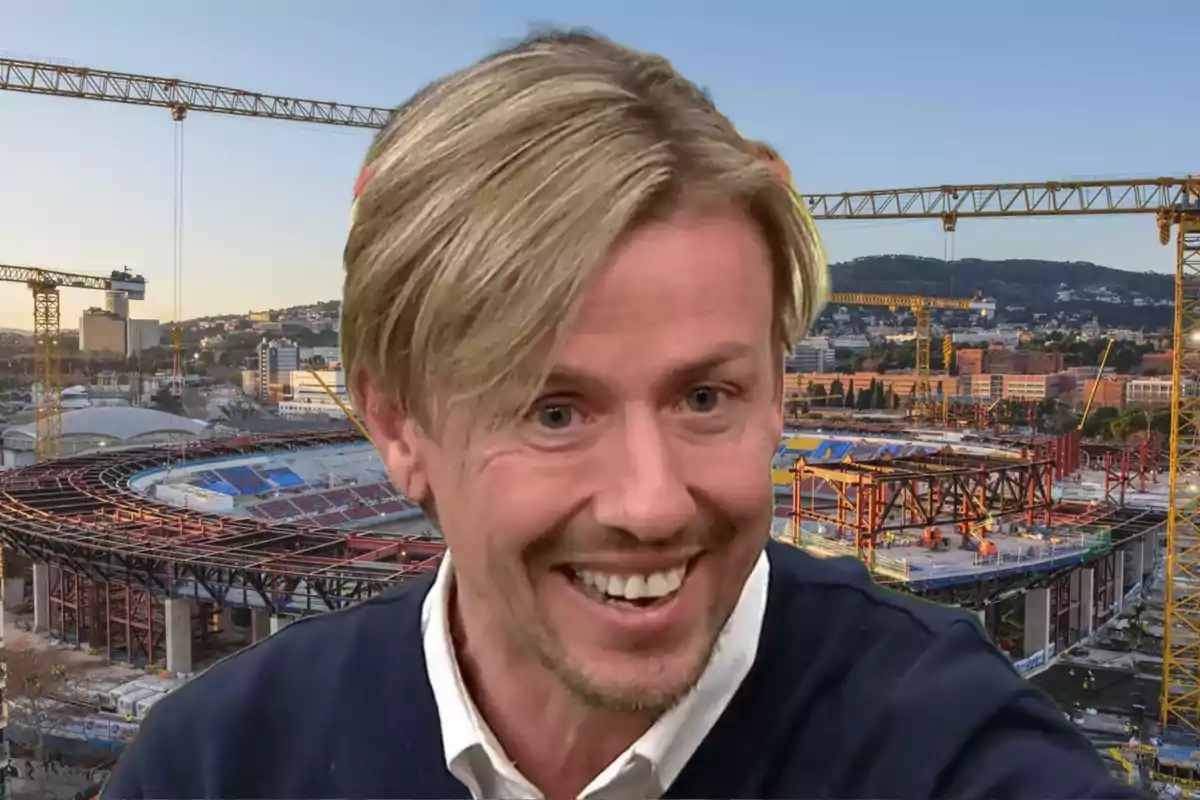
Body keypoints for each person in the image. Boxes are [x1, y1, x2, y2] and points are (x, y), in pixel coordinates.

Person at [102, 29, 1144, 800]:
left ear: (779, 392)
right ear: (399, 423)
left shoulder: (946, 755)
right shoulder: (216, 767)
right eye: (555, 410)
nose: (651, 504)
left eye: (705, 396)